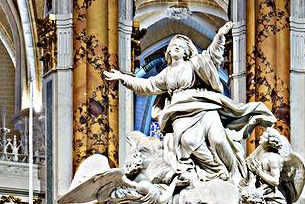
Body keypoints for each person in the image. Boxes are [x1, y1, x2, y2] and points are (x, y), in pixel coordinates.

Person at [104, 22, 276, 183]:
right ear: (169, 53)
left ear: (186, 51)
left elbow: (211, 56)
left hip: (203, 106)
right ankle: (216, 170)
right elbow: (147, 85)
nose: (175, 49)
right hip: (179, 112)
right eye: (173, 47)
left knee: (218, 139)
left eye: (179, 47)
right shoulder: (166, 73)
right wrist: (123, 78)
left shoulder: (195, 64)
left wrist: (219, 37)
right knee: (188, 142)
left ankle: (235, 175)